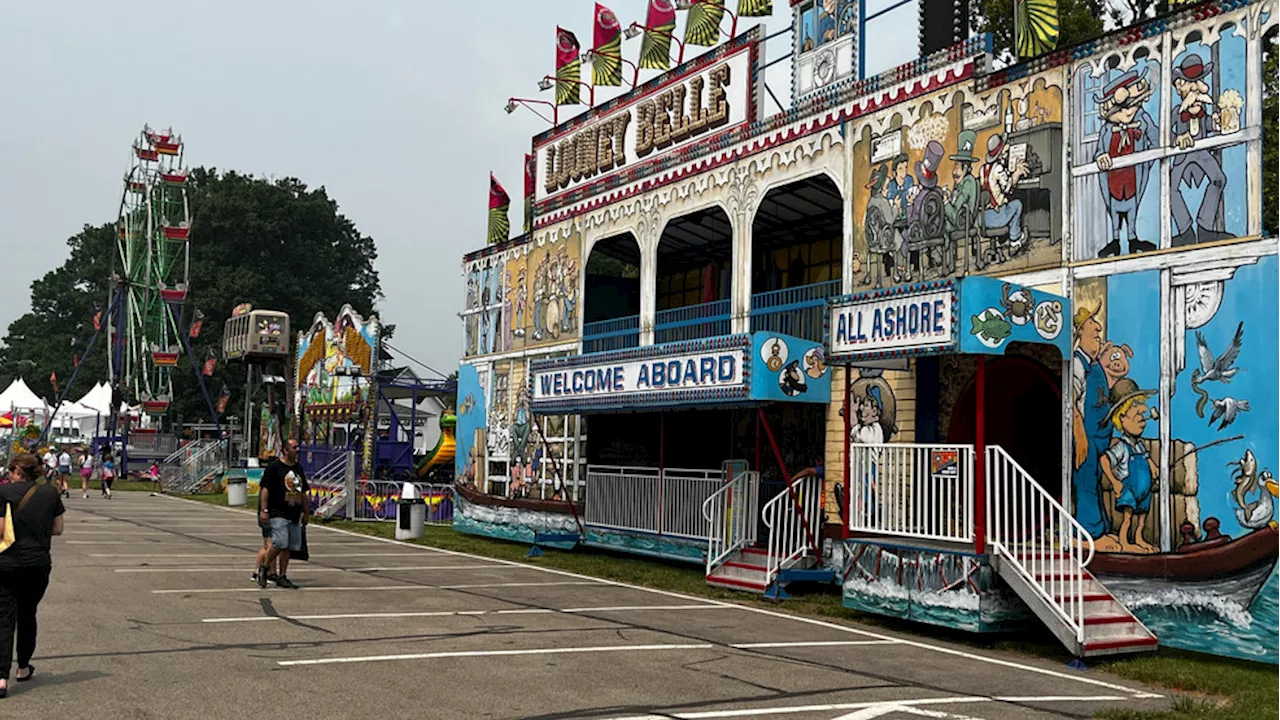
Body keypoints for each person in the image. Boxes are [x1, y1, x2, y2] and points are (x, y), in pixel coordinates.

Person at [0, 453, 65, 698]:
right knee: (28, 614)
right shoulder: (50, 493)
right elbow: (58, 529)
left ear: (17, 471)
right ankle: (23, 666)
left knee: (4, 617)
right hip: (38, 562)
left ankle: (1, 676)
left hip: (7, 562)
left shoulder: (3, 493)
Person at [256, 439, 309, 589]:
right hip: (277, 511)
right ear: (286, 450)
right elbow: (265, 489)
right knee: (280, 542)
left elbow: (303, 491)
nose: (297, 450)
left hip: (293, 512)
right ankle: (265, 567)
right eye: (294, 447)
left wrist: (306, 511)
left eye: (298, 447)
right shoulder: (274, 468)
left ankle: (282, 575)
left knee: (288, 547)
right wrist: (264, 510)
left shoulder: (298, 468)